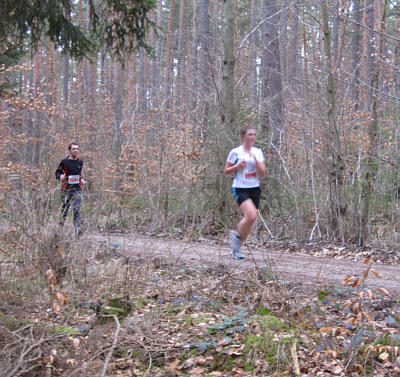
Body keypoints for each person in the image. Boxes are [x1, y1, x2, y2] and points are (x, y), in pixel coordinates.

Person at [224, 127, 266, 259]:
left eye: (254, 134)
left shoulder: (257, 152)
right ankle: (236, 241)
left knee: (252, 219)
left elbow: (263, 173)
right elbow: (226, 171)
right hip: (240, 187)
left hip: (254, 187)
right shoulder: (235, 152)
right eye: (249, 134)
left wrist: (256, 160)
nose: (252, 137)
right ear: (243, 137)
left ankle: (237, 244)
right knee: (251, 214)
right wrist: (237, 166)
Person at [55, 143, 86, 235]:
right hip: (66, 189)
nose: (75, 150)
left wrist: (82, 179)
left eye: (77, 149)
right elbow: (57, 173)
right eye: (73, 149)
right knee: (65, 209)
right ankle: (60, 228)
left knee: (77, 208)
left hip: (77, 189)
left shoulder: (80, 162)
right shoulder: (64, 162)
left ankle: (77, 229)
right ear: (70, 150)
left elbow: (78, 174)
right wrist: (60, 176)